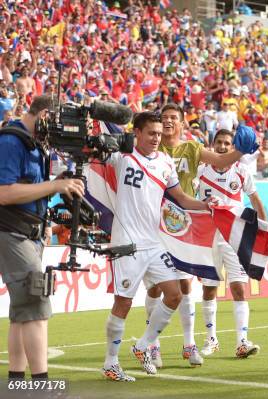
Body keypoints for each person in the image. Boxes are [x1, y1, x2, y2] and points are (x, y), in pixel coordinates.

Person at [102, 112, 218, 381]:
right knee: (123, 302)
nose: (157, 138)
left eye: (158, 133)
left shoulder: (165, 161)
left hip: (154, 242)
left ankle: (144, 345)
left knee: (174, 294)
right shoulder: (121, 157)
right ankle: (110, 362)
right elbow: (98, 148)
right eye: (151, 133)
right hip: (127, 242)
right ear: (137, 134)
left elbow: (179, 197)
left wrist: (204, 205)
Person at [146, 103, 257, 368]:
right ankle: (152, 346)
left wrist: (240, 150)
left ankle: (189, 344)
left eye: (174, 117)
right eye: (165, 118)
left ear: (183, 123)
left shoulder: (192, 149)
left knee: (185, 286)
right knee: (154, 287)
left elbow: (220, 160)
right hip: (152, 224)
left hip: (183, 225)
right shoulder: (151, 149)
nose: (169, 121)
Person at [0, 95, 84, 382]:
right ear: (45, 114)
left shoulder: (36, 144)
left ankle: (16, 381)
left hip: (28, 231)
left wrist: (45, 219)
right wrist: (56, 185)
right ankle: (40, 384)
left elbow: (31, 189)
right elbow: (5, 193)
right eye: (58, 121)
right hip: (10, 228)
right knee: (36, 304)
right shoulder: (12, 141)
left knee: (22, 310)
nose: (61, 130)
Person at [196, 128, 268, 359]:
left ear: (232, 147)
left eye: (226, 143)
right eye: (218, 142)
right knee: (209, 289)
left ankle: (241, 341)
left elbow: (256, 201)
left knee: (239, 288)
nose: (222, 146)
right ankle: (211, 339)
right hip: (208, 236)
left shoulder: (241, 171)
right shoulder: (200, 170)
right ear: (212, 144)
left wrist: (266, 230)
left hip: (234, 238)